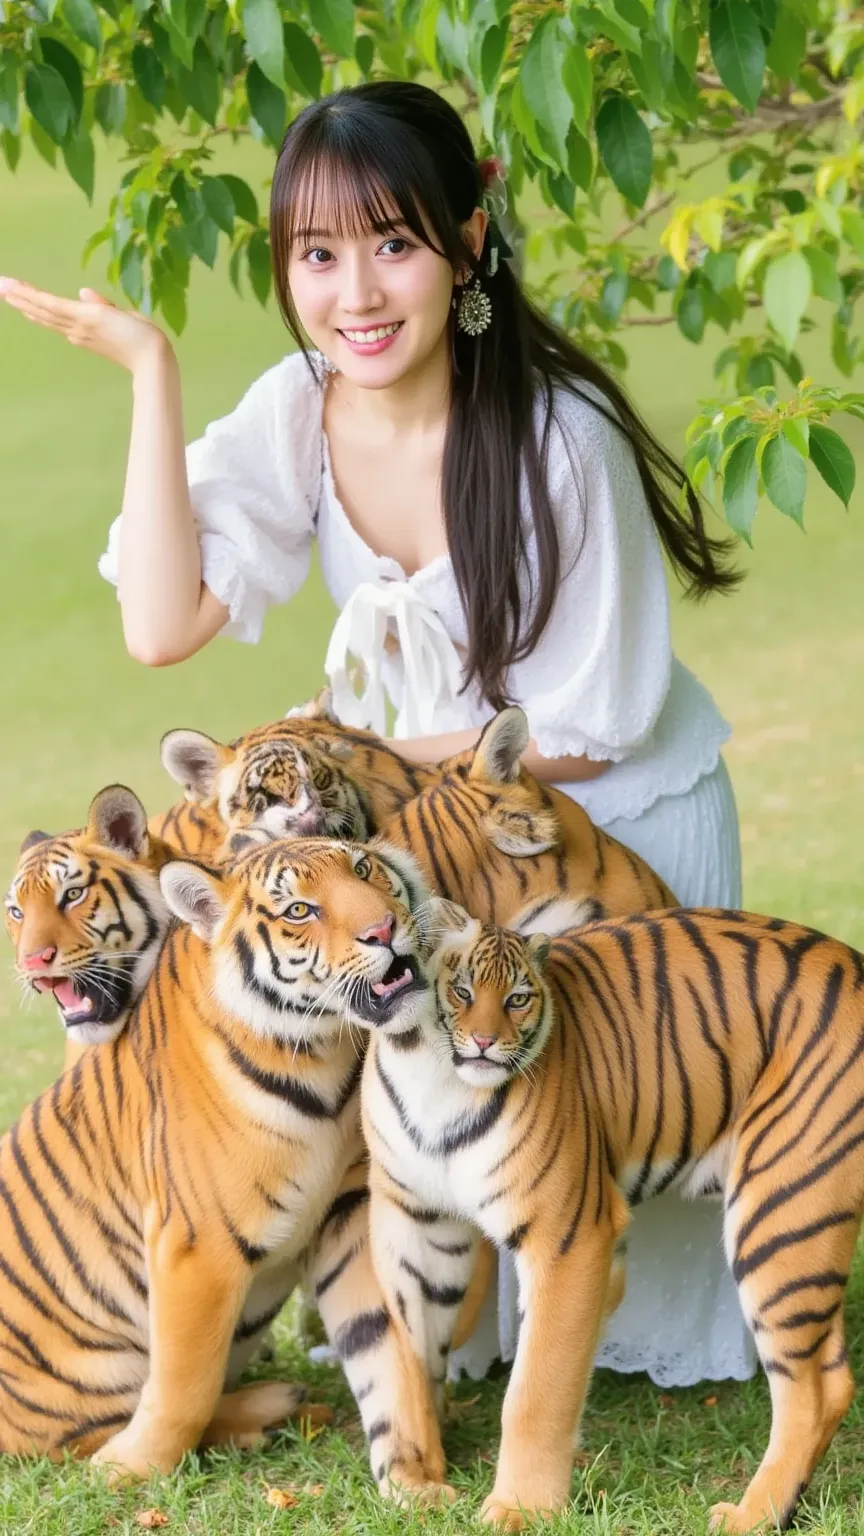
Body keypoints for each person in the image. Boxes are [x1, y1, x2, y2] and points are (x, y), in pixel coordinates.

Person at [0, 80, 756, 1388]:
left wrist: (360, 760)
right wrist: (151, 375)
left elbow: (589, 726)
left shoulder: (557, 442)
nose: (355, 292)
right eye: (317, 253)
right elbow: (160, 625)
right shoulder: (306, 411)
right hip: (441, 827)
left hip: (600, 830)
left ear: (469, 239)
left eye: (393, 244)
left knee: (616, 1233)